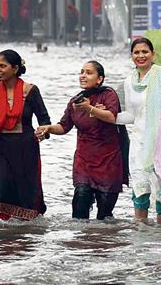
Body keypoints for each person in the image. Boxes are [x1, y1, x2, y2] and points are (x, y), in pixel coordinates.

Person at [36, 61, 123, 220]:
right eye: (81, 72)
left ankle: (103, 243)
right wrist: (48, 128)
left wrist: (90, 108)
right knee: (79, 208)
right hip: (84, 161)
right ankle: (81, 242)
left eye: (89, 73)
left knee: (104, 217)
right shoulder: (75, 101)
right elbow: (64, 126)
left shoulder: (108, 95)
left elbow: (112, 117)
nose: (83, 76)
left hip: (108, 162)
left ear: (100, 79)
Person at [117, 37, 161, 225]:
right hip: (139, 144)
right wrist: (103, 115)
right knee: (140, 190)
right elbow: (131, 115)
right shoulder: (129, 82)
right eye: (136, 52)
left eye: (145, 52)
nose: (141, 56)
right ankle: (141, 236)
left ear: (153, 54)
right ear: (131, 56)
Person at [0, 49, 51, 220]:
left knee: (26, 191)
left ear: (15, 69)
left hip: (25, 149)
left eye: (3, 66)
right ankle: (5, 238)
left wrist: (43, 131)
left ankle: (27, 234)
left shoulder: (30, 91)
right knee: (1, 190)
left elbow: (44, 119)